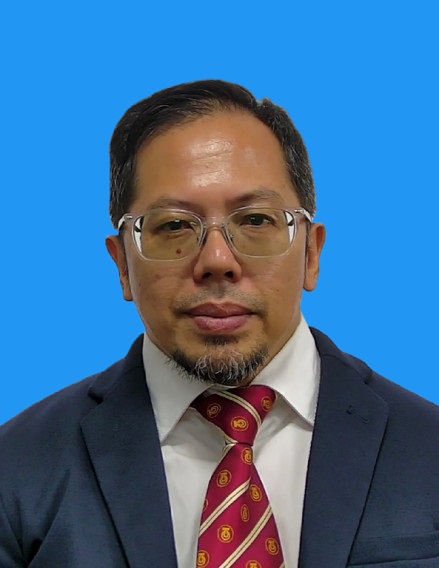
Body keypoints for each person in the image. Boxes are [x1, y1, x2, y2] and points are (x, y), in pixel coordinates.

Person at [1, 80, 438, 568]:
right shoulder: (15, 470)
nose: (216, 261)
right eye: (173, 225)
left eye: (255, 221)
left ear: (311, 253)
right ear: (122, 264)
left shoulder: (429, 449)